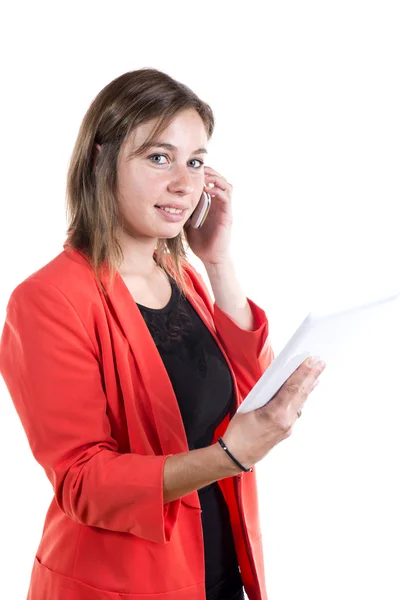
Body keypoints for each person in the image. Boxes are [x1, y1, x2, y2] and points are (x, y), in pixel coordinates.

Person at [0, 68, 325, 600]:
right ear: (102, 160)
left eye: (195, 162)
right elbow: (82, 482)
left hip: (219, 574)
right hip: (123, 585)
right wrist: (229, 457)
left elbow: (249, 397)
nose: (183, 182)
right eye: (159, 157)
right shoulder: (47, 299)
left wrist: (218, 262)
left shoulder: (184, 276)